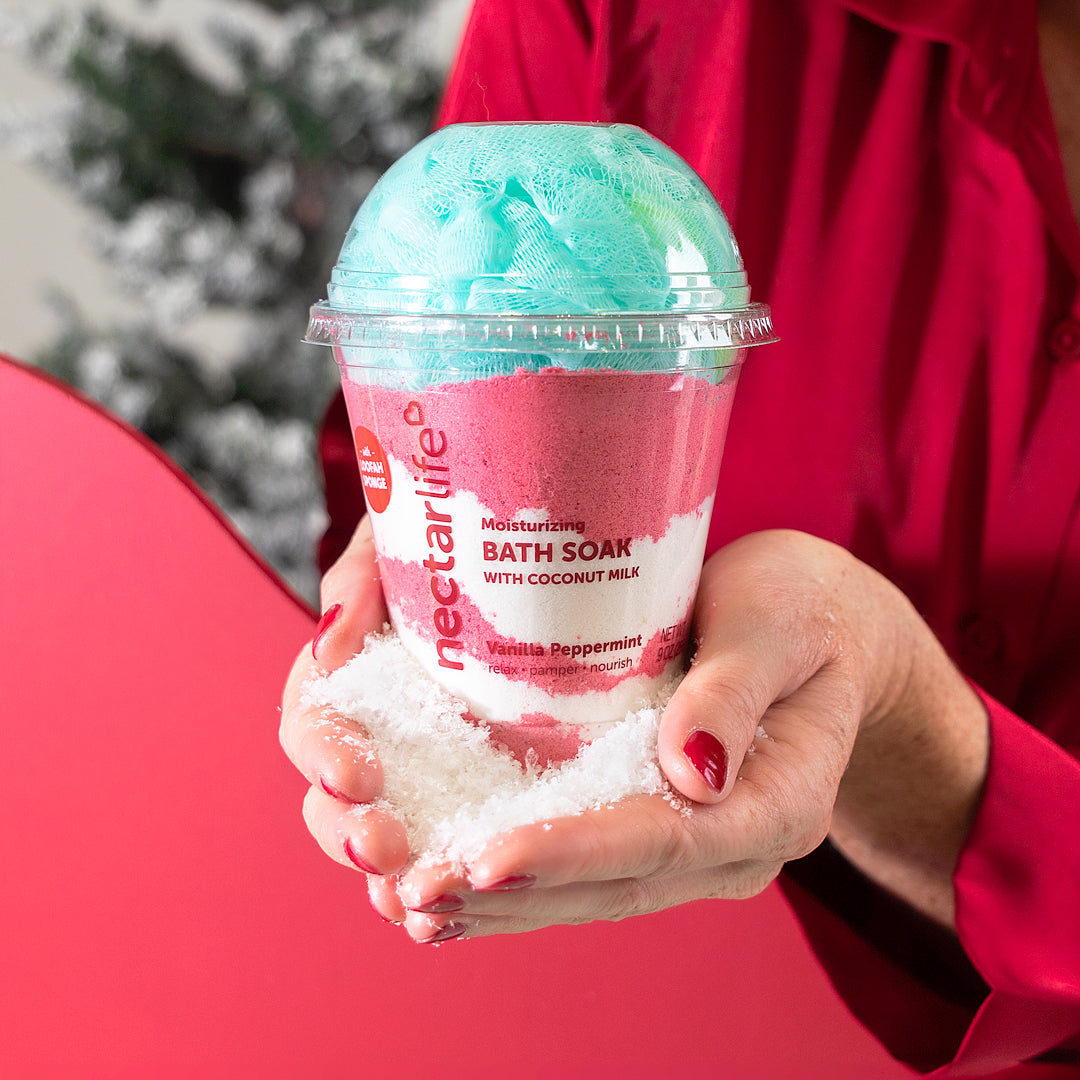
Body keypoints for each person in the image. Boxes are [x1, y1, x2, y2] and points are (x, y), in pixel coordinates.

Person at [280, 0, 1080, 1073]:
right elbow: (411, 396)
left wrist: (912, 743)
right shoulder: (632, 20)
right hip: (617, 1017)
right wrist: (390, 622)